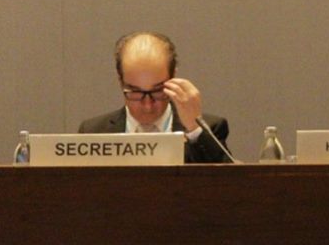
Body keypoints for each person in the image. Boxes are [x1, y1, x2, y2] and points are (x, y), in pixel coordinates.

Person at [78, 31, 231, 162]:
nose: (147, 106)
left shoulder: (209, 129)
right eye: (136, 92)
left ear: (173, 77)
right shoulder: (93, 133)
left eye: (158, 91)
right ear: (120, 80)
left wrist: (194, 130)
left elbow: (229, 181)